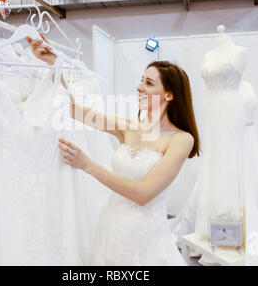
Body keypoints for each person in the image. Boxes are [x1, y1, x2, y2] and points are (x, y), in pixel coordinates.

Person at [28, 33, 200, 265]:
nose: (139, 87)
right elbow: (73, 110)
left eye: (148, 83)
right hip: (111, 229)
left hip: (146, 241)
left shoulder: (181, 139)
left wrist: (87, 165)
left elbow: (144, 194)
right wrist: (53, 63)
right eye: (141, 80)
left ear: (169, 94)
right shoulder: (128, 126)